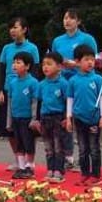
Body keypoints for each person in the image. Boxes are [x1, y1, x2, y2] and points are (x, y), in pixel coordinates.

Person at [52, 8, 98, 170]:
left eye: (71, 18)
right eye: (65, 18)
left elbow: (94, 60)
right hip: (63, 82)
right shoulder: (58, 41)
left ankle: (83, 157)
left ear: (78, 21)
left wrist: (75, 64)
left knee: (80, 119)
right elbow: (54, 60)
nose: (67, 21)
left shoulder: (87, 39)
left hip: (81, 82)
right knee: (64, 119)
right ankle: (67, 156)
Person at [0, 17, 40, 171]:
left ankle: (29, 161)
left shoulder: (32, 48)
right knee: (9, 128)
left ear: (24, 29)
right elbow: (2, 70)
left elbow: (35, 71)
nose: (12, 30)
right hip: (10, 90)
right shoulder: (6, 48)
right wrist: (1, 89)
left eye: (16, 27)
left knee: (27, 128)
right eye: (11, 28)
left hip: (26, 91)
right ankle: (18, 159)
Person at [66, 44, 102, 186]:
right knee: (83, 149)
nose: (90, 62)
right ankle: (84, 173)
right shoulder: (73, 81)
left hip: (94, 118)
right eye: (86, 59)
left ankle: (96, 175)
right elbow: (70, 99)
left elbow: (101, 98)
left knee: (94, 148)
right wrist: (69, 118)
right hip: (79, 118)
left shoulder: (98, 80)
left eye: (92, 60)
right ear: (77, 62)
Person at [33, 52, 69, 183]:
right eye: (43, 64)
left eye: (49, 64)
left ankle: (59, 170)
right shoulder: (41, 84)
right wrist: (37, 119)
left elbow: (67, 102)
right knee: (48, 146)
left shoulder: (64, 83)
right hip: (45, 117)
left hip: (58, 117)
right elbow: (39, 102)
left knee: (58, 145)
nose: (45, 67)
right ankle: (50, 169)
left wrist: (67, 118)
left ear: (59, 67)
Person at [7, 51, 39, 179]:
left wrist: (34, 119)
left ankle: (29, 166)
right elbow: (10, 101)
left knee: (28, 143)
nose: (14, 65)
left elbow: (35, 102)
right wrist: (9, 121)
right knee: (19, 143)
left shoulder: (33, 82)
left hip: (27, 119)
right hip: (16, 117)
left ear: (27, 66)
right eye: (14, 62)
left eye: (18, 62)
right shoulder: (12, 82)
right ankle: (20, 167)